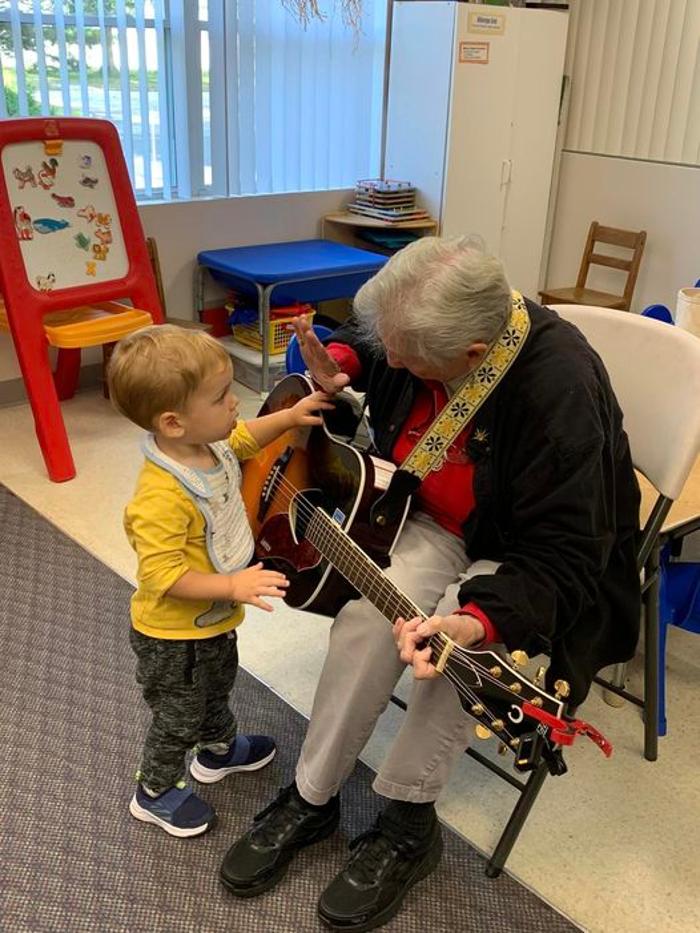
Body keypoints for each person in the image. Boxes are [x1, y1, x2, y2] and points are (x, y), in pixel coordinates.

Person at [219, 238, 641, 931]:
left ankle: (408, 822)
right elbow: (381, 352)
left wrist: (474, 619)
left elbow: (568, 556)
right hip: (431, 515)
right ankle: (312, 795)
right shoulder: (432, 320)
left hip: (526, 552)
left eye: (405, 358)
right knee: (364, 621)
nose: (392, 363)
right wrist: (343, 363)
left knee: (450, 655)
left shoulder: (559, 392)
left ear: (472, 355)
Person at [107, 324, 332, 838]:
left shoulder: (208, 445)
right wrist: (231, 587)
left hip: (210, 625)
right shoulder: (161, 497)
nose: (235, 403)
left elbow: (243, 438)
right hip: (171, 638)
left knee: (217, 687)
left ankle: (218, 751)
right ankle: (154, 791)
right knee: (178, 717)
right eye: (221, 396)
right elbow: (162, 576)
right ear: (173, 422)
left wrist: (289, 417)